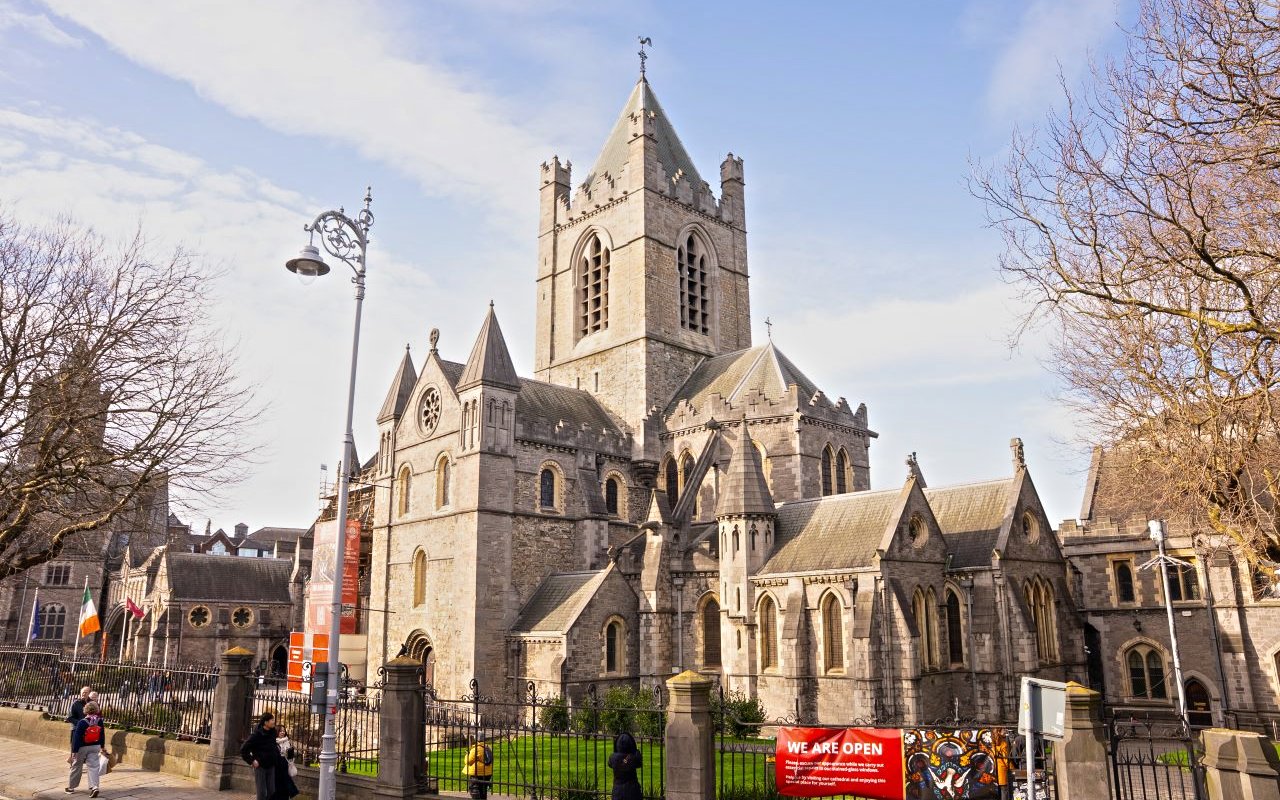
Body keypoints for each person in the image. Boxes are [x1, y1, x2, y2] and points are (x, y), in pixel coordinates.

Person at [67, 701, 108, 797]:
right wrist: (102, 747)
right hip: (95, 746)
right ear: (96, 710)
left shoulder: (82, 722)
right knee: (94, 766)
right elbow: (102, 735)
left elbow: (77, 738)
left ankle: (71, 787)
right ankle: (95, 787)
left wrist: (74, 752)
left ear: (85, 710)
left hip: (82, 747)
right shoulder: (99, 721)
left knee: (76, 766)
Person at [240, 712, 280, 800]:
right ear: (266, 722)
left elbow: (273, 746)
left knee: (272, 792)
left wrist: (276, 757)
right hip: (260, 766)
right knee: (262, 793)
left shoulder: (273, 732)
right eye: (272, 720)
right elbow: (243, 749)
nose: (274, 721)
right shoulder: (256, 735)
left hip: (271, 765)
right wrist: (252, 761)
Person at [607, 732, 642, 800]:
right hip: (632, 792)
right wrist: (636, 751)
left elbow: (609, 764)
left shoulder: (612, 757)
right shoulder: (633, 758)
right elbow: (639, 763)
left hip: (617, 791)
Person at [462, 734, 493, 800]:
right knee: (483, 790)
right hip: (487, 773)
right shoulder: (488, 747)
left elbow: (468, 761)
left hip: (477, 773)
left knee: (474, 789)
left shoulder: (475, 749)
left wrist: (467, 754)